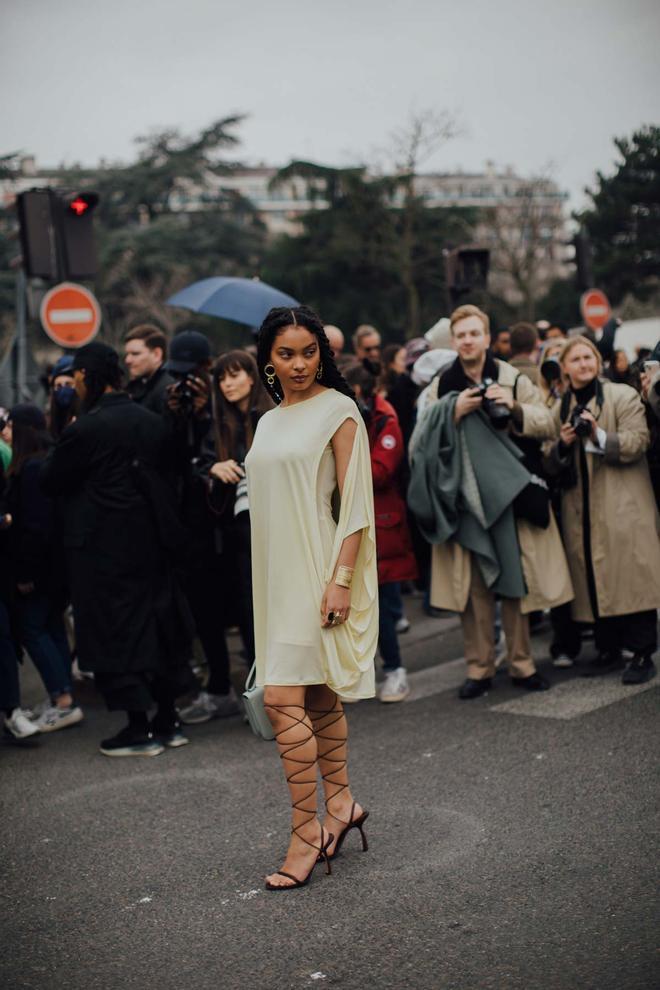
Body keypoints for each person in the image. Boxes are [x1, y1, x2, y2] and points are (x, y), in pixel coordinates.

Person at [247, 305, 377, 890]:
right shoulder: (268, 420)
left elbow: (355, 507)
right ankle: (343, 804)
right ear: (267, 359)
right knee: (318, 698)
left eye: (308, 352)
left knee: (280, 700)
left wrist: (341, 580)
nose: (299, 365)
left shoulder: (339, 409)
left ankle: (306, 833)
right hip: (273, 573)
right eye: (286, 354)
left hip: (318, 568)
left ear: (322, 352)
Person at [408, 304, 573, 699]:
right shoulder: (439, 387)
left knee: (514, 584)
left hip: (509, 495)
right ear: (455, 341)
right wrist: (452, 413)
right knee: (474, 591)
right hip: (463, 498)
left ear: (486, 337)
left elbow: (549, 422)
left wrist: (513, 406)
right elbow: (416, 446)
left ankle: (522, 664)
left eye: (473, 333)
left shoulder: (510, 376)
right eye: (460, 335)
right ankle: (479, 669)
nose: (467, 340)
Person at [40, 342, 194, 756]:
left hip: (102, 551)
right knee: (159, 629)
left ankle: (137, 728)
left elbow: (50, 480)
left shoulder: (84, 430)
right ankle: (169, 719)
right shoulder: (150, 421)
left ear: (86, 378)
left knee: (116, 637)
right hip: (152, 543)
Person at [546, 336, 660, 684]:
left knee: (632, 575)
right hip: (580, 506)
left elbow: (638, 441)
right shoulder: (560, 407)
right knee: (594, 580)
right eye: (576, 359)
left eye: (588, 357)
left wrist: (598, 436)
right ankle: (608, 648)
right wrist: (562, 445)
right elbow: (547, 455)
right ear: (564, 367)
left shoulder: (621, 396)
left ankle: (642, 653)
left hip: (622, 503)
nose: (583, 364)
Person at [178, 350, 273, 724]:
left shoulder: (272, 416)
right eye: (222, 378)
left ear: (253, 376)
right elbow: (197, 470)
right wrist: (213, 468)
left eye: (235, 375)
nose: (229, 383)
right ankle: (263, 697)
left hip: (278, 528)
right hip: (236, 536)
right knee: (250, 614)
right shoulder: (216, 425)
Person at [5, 404, 82, 732]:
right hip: (56, 565)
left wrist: (25, 574)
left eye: (9, 424)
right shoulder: (46, 461)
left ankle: (62, 699)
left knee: (32, 628)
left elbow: (35, 528)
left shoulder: (31, 468)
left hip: (39, 568)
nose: (5, 430)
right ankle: (62, 696)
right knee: (50, 626)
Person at [345, 363, 417, 703]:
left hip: (381, 521)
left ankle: (395, 670)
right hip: (355, 520)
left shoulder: (385, 419)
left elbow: (378, 470)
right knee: (361, 603)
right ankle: (367, 669)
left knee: (382, 604)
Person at [124, 324, 173, 414]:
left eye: (135, 354)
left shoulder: (167, 391)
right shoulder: (138, 387)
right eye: (127, 354)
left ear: (156, 354)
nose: (127, 360)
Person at [47, 355, 77, 440]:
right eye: (59, 386)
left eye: (68, 384)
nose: (63, 389)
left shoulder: (85, 419)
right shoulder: (49, 422)